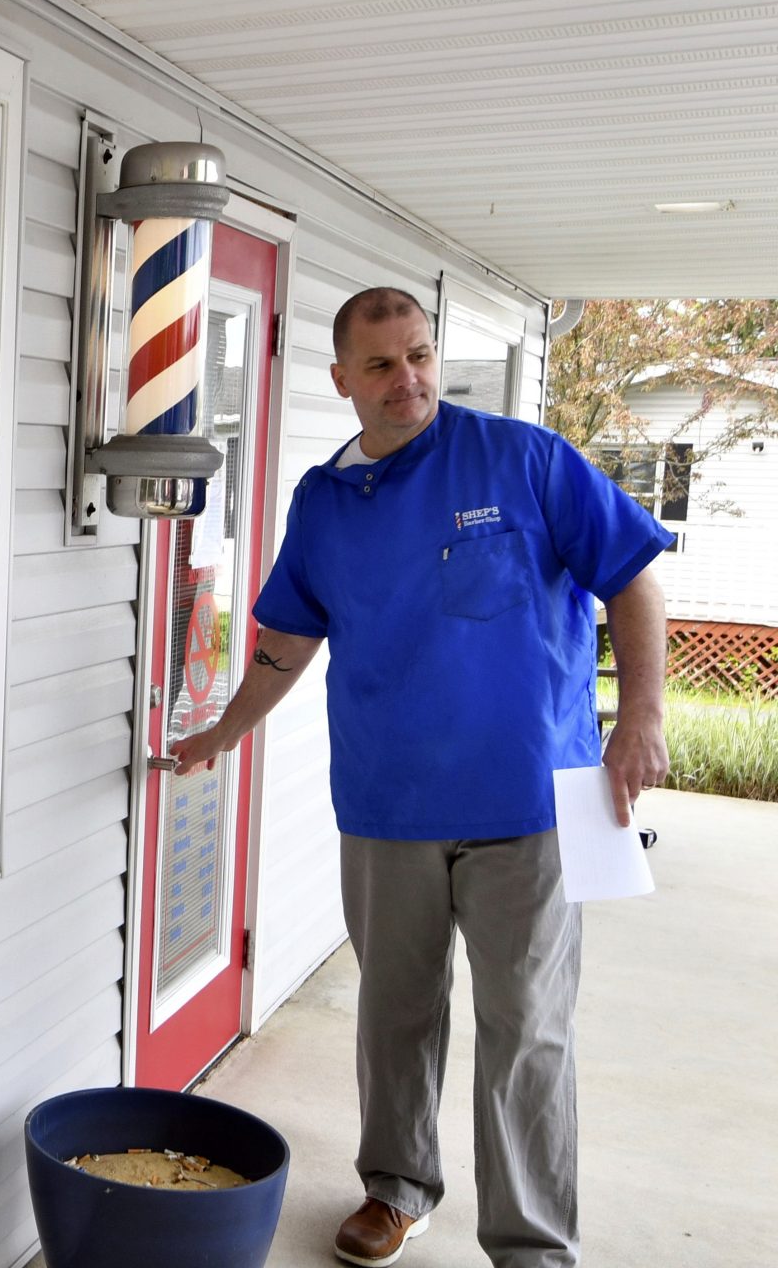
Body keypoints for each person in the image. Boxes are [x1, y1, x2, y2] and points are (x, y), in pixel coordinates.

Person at [170, 287, 670, 1268]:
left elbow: (634, 573)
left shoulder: (521, 458)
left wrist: (643, 717)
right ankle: (395, 1187)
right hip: (387, 801)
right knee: (394, 1008)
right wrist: (225, 726)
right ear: (342, 381)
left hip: (529, 799)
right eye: (384, 364)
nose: (410, 380)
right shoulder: (324, 500)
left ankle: (530, 1242)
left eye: (421, 355)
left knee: (525, 1026)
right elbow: (288, 634)